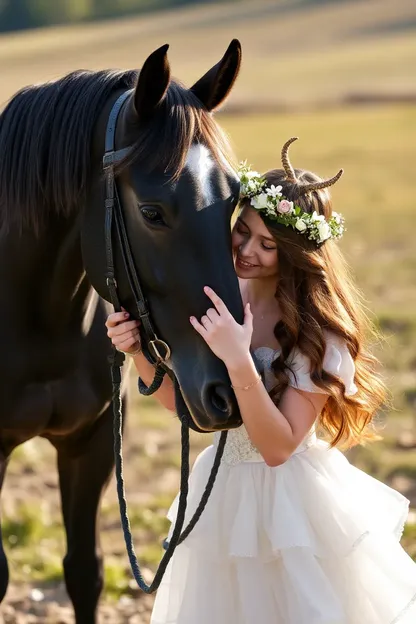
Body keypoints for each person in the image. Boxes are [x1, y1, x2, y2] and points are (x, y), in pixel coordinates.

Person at [105, 138, 416, 623]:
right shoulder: (220, 300)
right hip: (221, 493)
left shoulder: (319, 335)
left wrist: (238, 360)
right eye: (242, 232)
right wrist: (138, 353)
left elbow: (277, 448)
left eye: (268, 245)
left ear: (294, 252)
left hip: (294, 505)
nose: (248, 251)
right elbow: (188, 408)